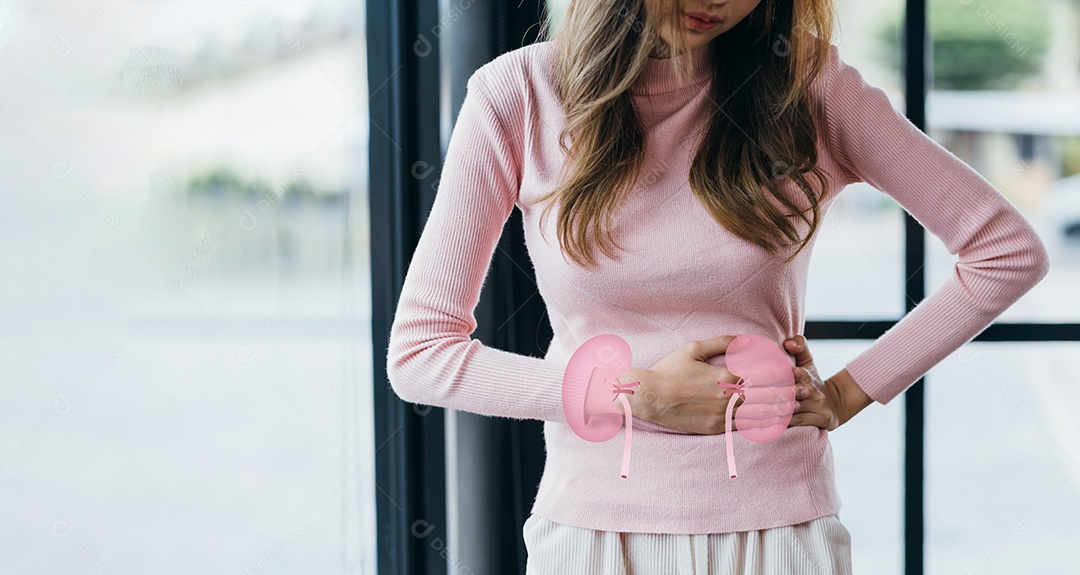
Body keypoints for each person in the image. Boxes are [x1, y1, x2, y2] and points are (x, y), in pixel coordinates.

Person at [385, 0, 1051, 572]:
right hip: (593, 534)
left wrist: (850, 391)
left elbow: (1005, 249)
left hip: (781, 531)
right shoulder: (518, 96)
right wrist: (635, 396)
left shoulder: (805, 86)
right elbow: (420, 354)